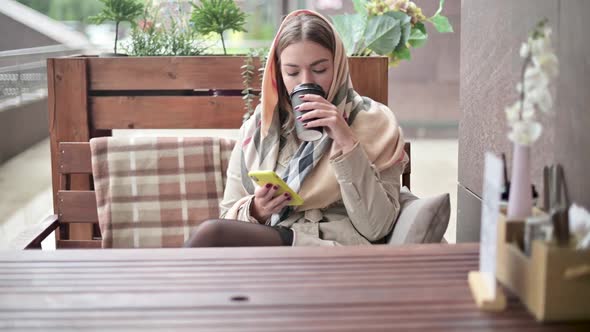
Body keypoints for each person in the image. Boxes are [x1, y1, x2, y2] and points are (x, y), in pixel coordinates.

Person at [184, 9, 407, 247]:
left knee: (211, 234)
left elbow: (378, 227)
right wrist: (257, 210)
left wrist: (345, 140)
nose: (306, 82)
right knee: (213, 235)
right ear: (278, 74)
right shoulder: (259, 130)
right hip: (271, 247)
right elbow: (228, 214)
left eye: (320, 70)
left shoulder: (375, 123)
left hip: (334, 249)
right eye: (292, 72)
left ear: (339, 67)